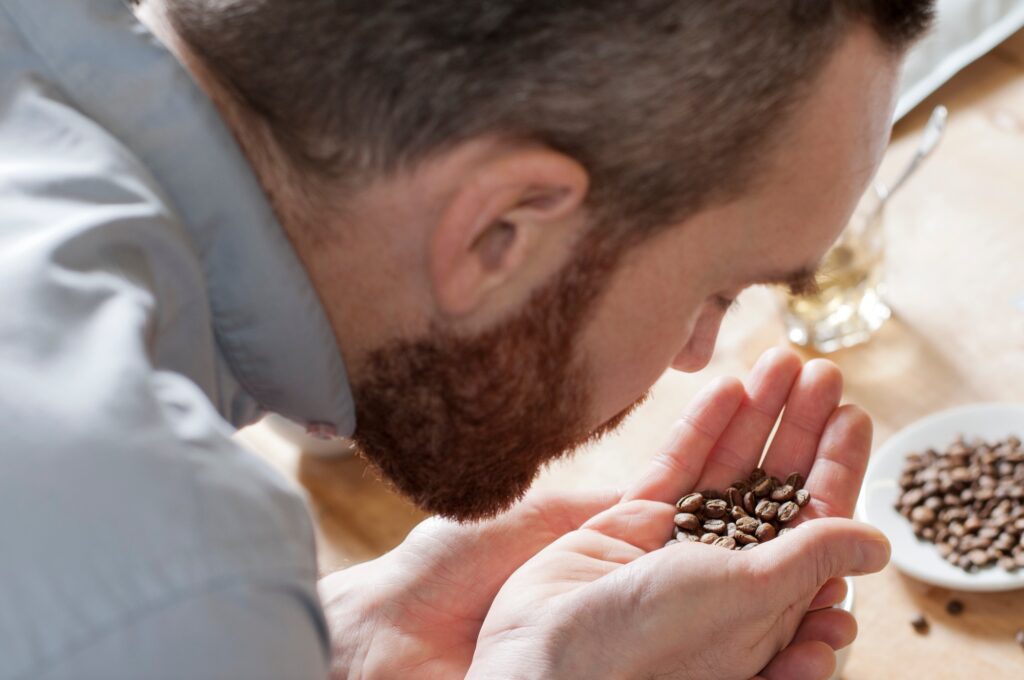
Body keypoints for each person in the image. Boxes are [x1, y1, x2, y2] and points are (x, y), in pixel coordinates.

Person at [0, 1, 935, 678]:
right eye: (717, 290)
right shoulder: (168, 560)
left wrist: (335, 647)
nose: (696, 356)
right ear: (501, 233)